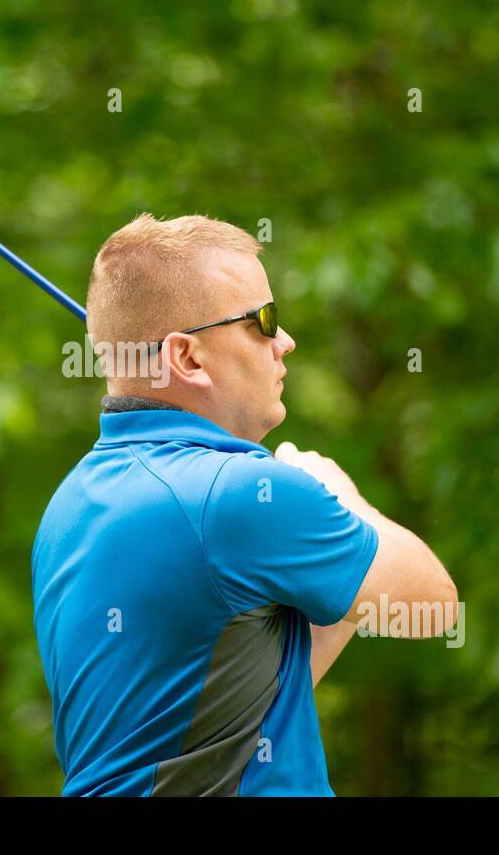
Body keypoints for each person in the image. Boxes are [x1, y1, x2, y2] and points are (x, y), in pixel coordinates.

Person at [32, 213, 458, 796]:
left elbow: (240, 708)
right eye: (262, 320)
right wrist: (340, 494)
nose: (284, 341)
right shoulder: (238, 495)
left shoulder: (69, 507)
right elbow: (434, 604)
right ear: (187, 359)